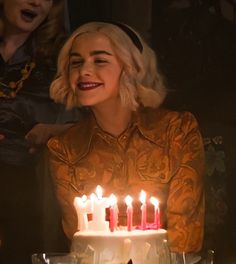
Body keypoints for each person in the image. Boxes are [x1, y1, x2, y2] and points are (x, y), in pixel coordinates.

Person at [47, 21, 205, 263]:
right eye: (76, 62)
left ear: (130, 67)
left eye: (99, 60)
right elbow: (82, 245)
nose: (84, 71)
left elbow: (186, 238)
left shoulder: (177, 131)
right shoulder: (64, 149)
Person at [0, 0, 80, 263]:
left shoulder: (63, 56)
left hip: (30, 184)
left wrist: (50, 130)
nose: (37, 2)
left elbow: (92, 124)